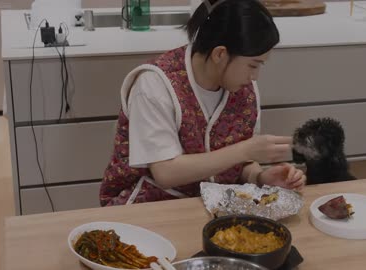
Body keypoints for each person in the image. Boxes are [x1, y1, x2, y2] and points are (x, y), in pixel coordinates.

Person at [100, 0, 306, 206]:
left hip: (214, 207)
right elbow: (166, 172)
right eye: (253, 65)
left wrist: (260, 177)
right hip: (148, 206)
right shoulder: (155, 84)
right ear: (220, 54)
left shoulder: (241, 88)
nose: (255, 77)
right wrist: (246, 150)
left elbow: (239, 163)